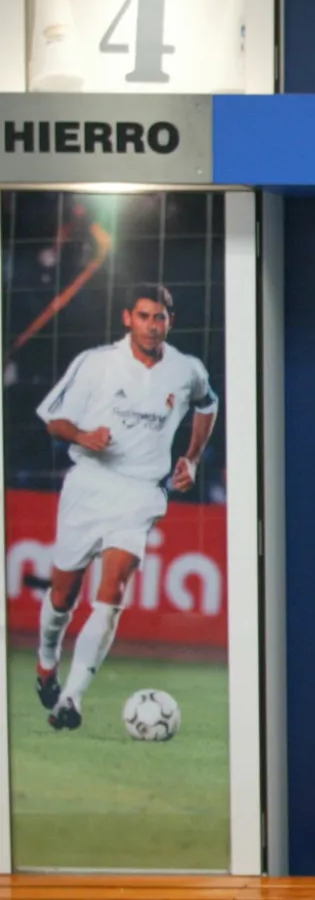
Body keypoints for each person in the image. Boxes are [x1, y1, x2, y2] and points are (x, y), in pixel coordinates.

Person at [34, 284, 218, 730]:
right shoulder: (97, 363)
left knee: (113, 592)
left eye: (160, 318)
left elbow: (207, 404)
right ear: (127, 319)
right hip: (89, 485)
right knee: (62, 596)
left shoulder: (186, 370)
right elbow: (51, 418)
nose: (152, 326)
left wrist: (191, 458)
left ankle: (71, 701)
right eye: (144, 316)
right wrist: (82, 436)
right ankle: (46, 661)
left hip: (140, 493)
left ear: (170, 322)